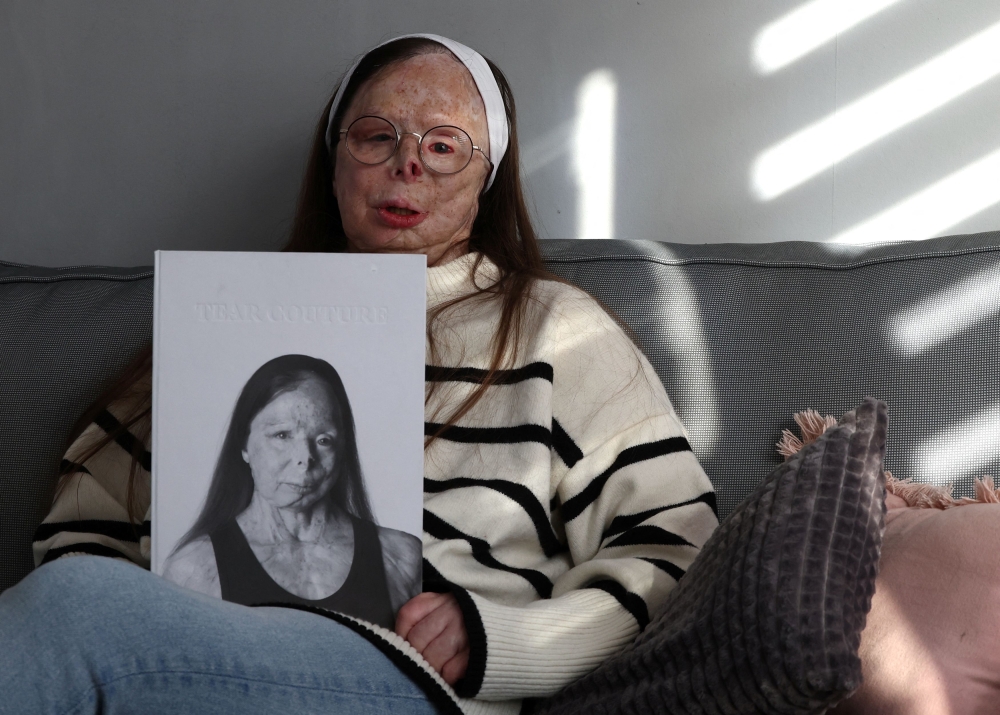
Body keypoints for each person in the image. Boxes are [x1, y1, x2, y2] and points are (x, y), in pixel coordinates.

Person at [2, 33, 718, 715]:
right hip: (192, 662)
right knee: (73, 601)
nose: (408, 164)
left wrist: (502, 640)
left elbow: (677, 546)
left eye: (444, 146)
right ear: (335, 163)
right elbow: (85, 531)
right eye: (377, 137)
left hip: (414, 682)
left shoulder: (557, 327)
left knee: (72, 609)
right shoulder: (228, 317)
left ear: (487, 182)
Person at [161, 354, 422, 629]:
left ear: (342, 447)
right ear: (244, 445)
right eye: (282, 435)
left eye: (323, 440)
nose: (304, 458)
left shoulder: (401, 559)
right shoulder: (194, 571)